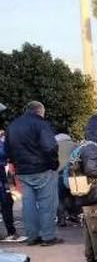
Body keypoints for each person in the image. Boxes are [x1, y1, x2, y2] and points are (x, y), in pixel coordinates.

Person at [4, 102, 61, 245]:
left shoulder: (13, 126)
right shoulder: (41, 124)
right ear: (40, 112)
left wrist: (15, 163)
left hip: (22, 171)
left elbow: (7, 149)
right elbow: (50, 146)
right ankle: (48, 236)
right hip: (42, 169)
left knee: (28, 204)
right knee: (47, 204)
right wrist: (54, 164)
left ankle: (32, 236)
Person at [66, 136, 97, 262]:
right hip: (92, 194)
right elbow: (92, 170)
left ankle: (91, 258)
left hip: (84, 193)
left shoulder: (83, 147)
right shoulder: (93, 148)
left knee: (90, 229)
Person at [0, 131, 22, 242]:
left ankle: (11, 231)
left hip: (4, 174)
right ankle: (11, 231)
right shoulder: (3, 145)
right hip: (3, 175)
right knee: (6, 202)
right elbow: (5, 154)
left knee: (7, 202)